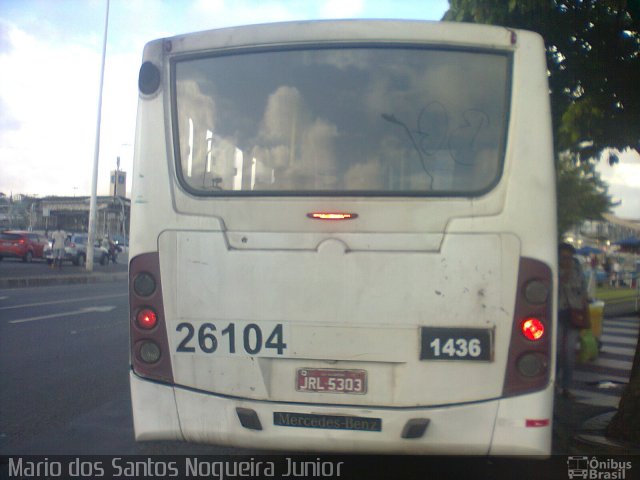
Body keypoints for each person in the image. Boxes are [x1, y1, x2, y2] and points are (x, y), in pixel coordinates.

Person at [557, 242, 589, 399]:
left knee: (569, 352)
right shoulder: (554, 269)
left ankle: (566, 387)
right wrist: (562, 277)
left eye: (569, 257)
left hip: (574, 314)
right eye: (563, 257)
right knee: (556, 351)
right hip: (558, 312)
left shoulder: (578, 270)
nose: (566, 260)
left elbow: (583, 291)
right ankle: (554, 383)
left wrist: (584, 309)